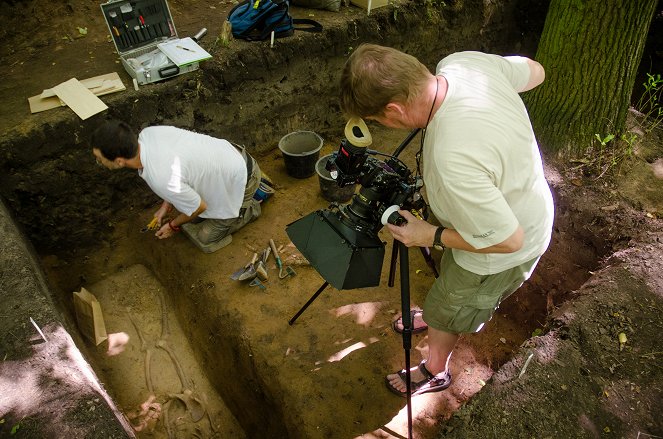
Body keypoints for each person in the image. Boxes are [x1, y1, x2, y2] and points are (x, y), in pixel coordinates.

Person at [339, 44, 554, 396]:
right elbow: (536, 70)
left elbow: (508, 240)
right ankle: (439, 313)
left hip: (502, 249)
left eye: (379, 120)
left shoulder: (452, 160)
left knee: (449, 306)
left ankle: (435, 369)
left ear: (393, 110)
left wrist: (431, 235)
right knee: (449, 282)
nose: (383, 125)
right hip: (517, 203)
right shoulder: (463, 64)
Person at [91, 119, 263, 253]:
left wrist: (173, 226)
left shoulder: (161, 177)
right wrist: (165, 207)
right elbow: (176, 170)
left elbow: (198, 206)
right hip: (230, 155)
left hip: (243, 178)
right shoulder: (149, 134)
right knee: (191, 219)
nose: (99, 162)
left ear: (119, 161)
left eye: (100, 159)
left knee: (205, 238)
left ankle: (248, 210)